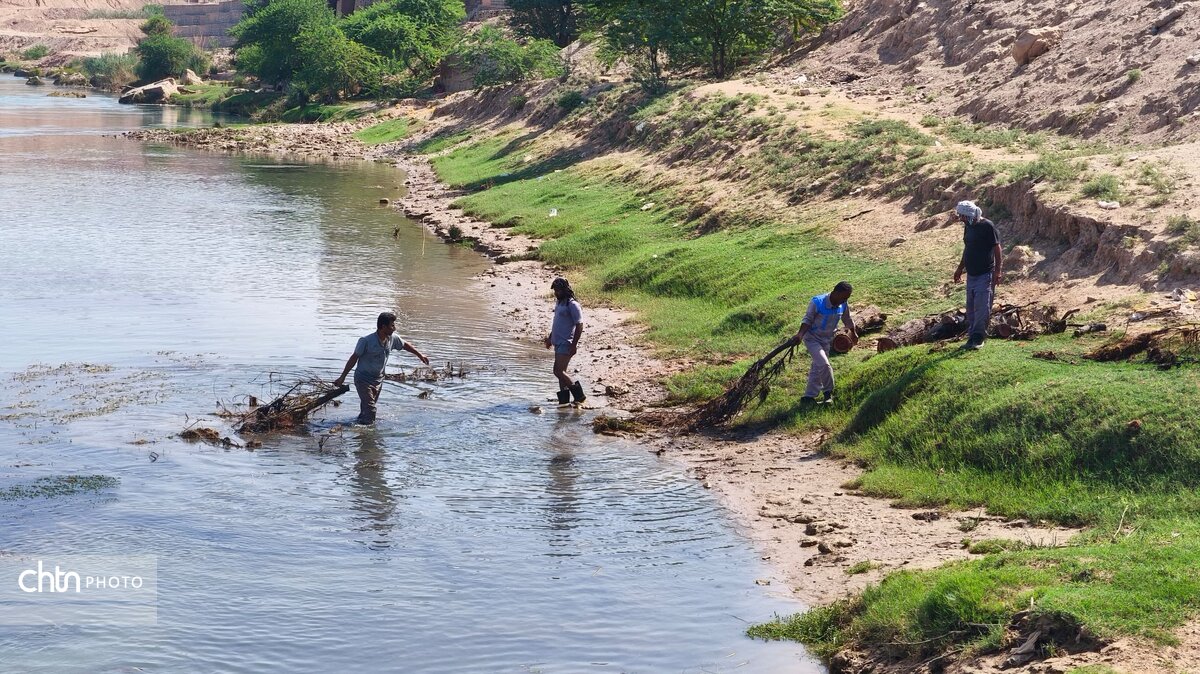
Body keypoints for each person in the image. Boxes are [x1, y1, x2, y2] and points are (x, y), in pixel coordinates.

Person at [333, 311, 429, 424]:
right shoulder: (366, 341)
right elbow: (353, 358)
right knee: (371, 410)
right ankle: (367, 437)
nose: (394, 328)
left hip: (378, 380)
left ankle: (358, 425)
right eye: (392, 325)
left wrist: (420, 355)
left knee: (367, 409)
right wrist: (342, 377)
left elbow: (404, 345)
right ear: (383, 327)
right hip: (363, 380)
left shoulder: (392, 338)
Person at [790, 281, 858, 405]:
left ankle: (808, 397)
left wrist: (853, 333)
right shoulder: (818, 302)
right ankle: (828, 393)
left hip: (826, 339)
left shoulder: (843, 304)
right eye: (843, 297)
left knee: (818, 367)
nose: (844, 300)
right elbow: (807, 319)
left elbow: (847, 318)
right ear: (835, 293)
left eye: (847, 298)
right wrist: (800, 334)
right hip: (812, 339)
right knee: (824, 364)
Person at [951, 200, 1003, 350]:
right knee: (971, 307)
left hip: (985, 274)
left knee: (982, 307)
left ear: (969, 215)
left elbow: (997, 249)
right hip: (972, 275)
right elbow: (968, 248)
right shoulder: (969, 226)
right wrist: (960, 268)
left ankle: (979, 338)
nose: (961, 219)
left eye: (962, 216)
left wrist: (998, 271)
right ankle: (972, 337)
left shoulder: (987, 226)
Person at [543, 277, 586, 405]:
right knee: (561, 373)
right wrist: (550, 338)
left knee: (557, 371)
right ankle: (564, 401)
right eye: (555, 290)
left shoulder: (572, 305)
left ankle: (579, 395)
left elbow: (579, 325)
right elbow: (556, 323)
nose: (556, 292)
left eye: (559, 290)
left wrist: (574, 345)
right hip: (558, 342)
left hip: (567, 342)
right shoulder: (559, 303)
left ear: (565, 289)